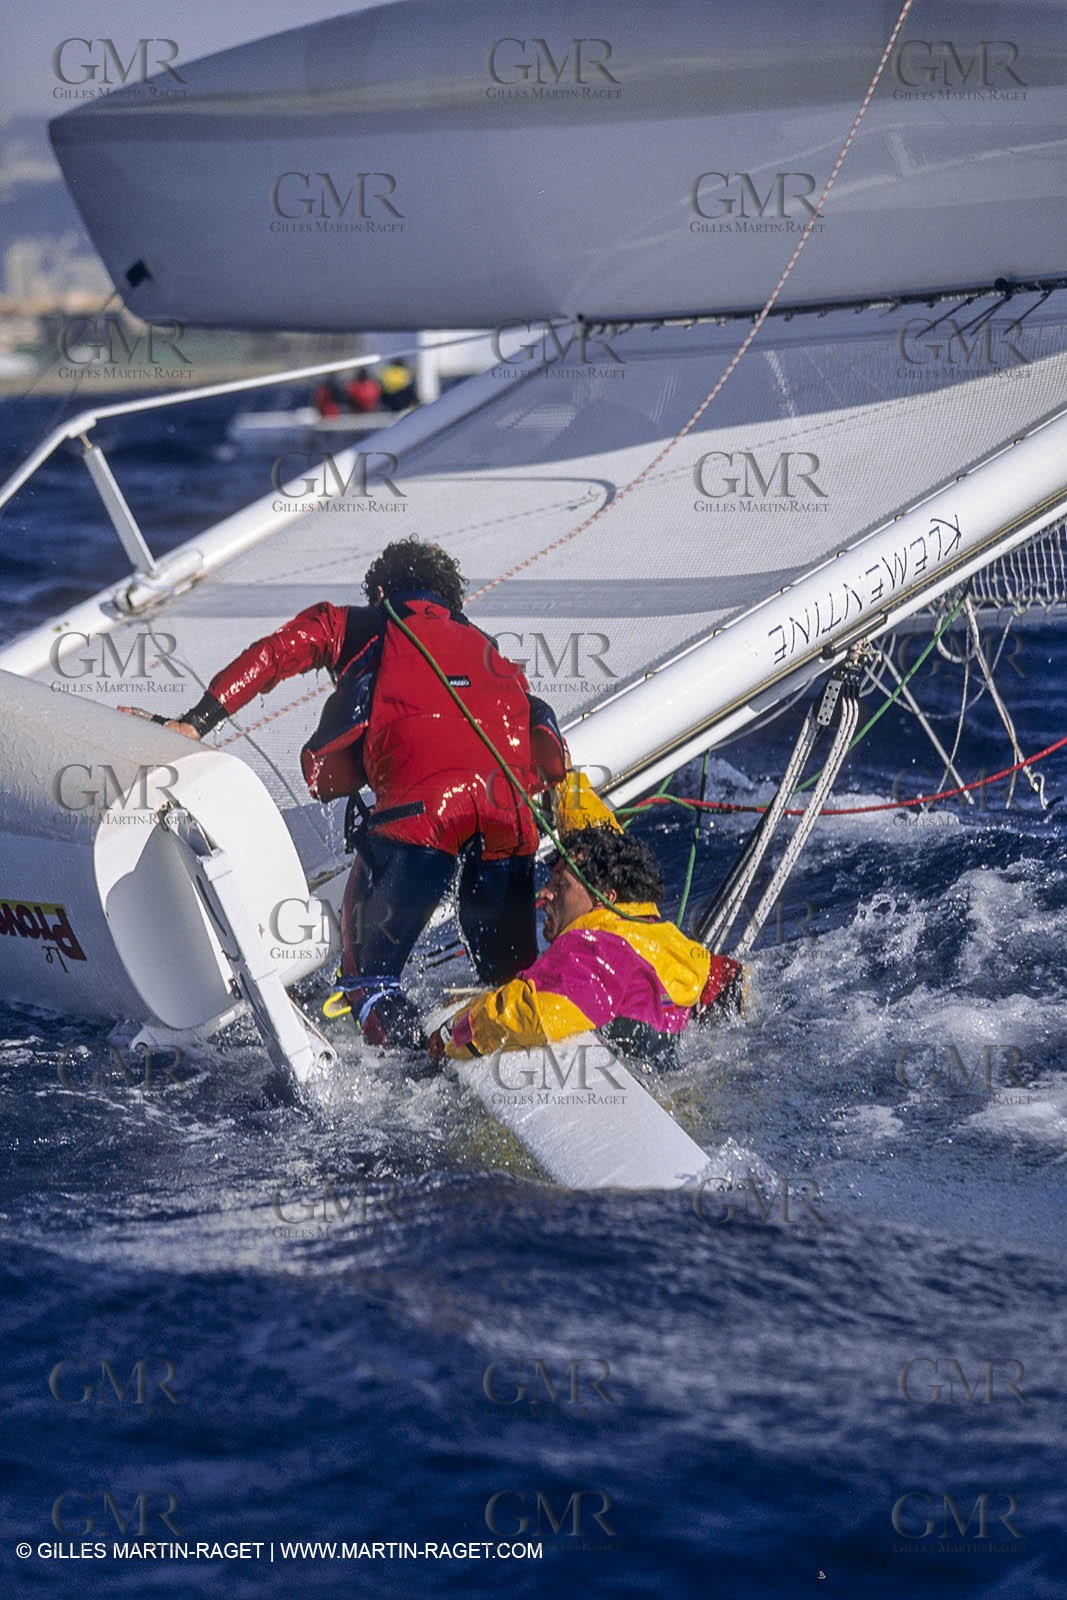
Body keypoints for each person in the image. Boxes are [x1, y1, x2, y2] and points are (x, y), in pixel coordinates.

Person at [128, 538, 567, 1047]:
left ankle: (410, 1082)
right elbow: (543, 735)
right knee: (509, 983)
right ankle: (547, 1053)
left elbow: (273, 656)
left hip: (420, 816)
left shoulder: (353, 623)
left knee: (372, 982)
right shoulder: (487, 647)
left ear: (379, 590)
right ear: (452, 600)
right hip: (508, 816)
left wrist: (196, 722)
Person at [429, 824, 744, 1067]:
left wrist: (451, 1034)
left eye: (560, 884)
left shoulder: (592, 949)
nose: (545, 894)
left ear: (605, 897)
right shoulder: (650, 923)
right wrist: (567, 784)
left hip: (657, 1082)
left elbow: (531, 1014)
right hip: (708, 1032)